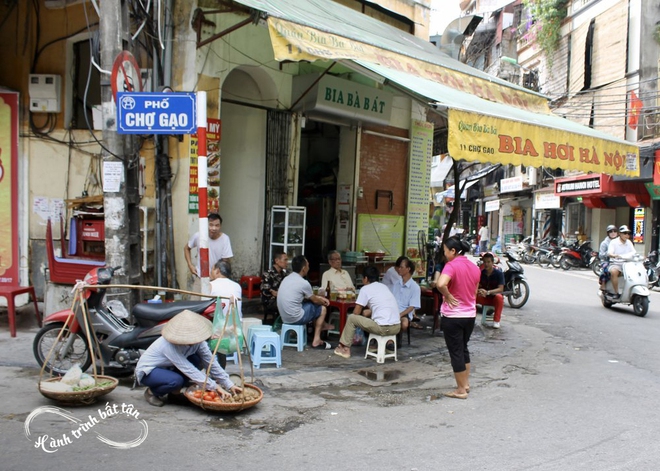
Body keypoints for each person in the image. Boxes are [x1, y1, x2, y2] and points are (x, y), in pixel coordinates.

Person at [135, 310, 242, 407]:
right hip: (149, 371)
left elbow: (210, 362)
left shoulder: (199, 342)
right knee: (176, 381)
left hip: (169, 367)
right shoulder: (168, 345)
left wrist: (228, 383)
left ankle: (174, 395)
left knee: (196, 359)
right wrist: (215, 387)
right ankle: (152, 392)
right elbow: (188, 369)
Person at [435, 236, 481, 400]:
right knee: (463, 348)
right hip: (470, 315)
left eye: (446, 251)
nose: (445, 254)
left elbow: (440, 284)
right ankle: (465, 384)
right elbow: (475, 292)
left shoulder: (451, 266)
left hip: (453, 316)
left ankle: (460, 389)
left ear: (453, 251)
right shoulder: (474, 267)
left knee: (456, 352)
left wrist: (447, 295)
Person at [333, 266, 401, 359]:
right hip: (397, 327)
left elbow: (356, 312)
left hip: (382, 328)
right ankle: (377, 345)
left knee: (352, 318)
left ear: (365, 278)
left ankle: (344, 348)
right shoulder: (384, 287)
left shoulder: (365, 289)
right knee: (369, 315)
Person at [277, 255, 334, 349]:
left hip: (284, 318)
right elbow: (315, 301)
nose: (309, 267)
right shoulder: (303, 283)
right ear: (303, 268)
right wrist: (323, 301)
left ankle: (322, 324)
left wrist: (317, 298)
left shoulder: (287, 278)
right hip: (296, 318)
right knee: (322, 309)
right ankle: (316, 339)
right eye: (308, 265)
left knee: (310, 305)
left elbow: (305, 297)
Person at [184, 213, 233, 294]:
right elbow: (186, 248)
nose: (214, 228)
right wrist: (190, 266)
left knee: (214, 305)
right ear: (206, 225)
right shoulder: (198, 235)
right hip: (200, 277)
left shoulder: (225, 239)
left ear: (220, 226)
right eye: (211, 225)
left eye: (217, 225)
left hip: (217, 280)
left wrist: (218, 276)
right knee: (194, 304)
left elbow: (226, 261)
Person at [475, 252, 505, 328]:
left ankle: (496, 321)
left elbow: (501, 289)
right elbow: (477, 286)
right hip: (483, 297)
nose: (486, 264)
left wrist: (488, 292)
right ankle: (471, 317)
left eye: (488, 262)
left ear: (492, 263)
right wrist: (480, 290)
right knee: (473, 296)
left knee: (499, 297)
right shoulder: (481, 273)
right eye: (484, 262)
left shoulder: (499, 273)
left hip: (493, 298)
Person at [391, 257, 421, 331]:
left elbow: (411, 307)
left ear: (408, 269)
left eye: (401, 267)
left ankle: (398, 338)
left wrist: (400, 314)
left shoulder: (415, 287)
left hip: (404, 313)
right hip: (393, 310)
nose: (399, 269)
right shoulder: (397, 283)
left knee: (404, 324)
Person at [607, 225, 636, 298]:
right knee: (614, 272)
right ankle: (616, 292)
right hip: (616, 263)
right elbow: (609, 253)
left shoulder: (629, 242)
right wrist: (614, 255)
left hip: (627, 264)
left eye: (628, 233)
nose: (627, 235)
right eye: (624, 233)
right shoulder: (614, 242)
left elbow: (633, 252)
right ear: (620, 234)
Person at [260, 251, 289, 325]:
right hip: (271, 301)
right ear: (277, 261)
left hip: (282, 299)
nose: (287, 262)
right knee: (287, 304)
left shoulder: (284, 275)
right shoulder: (268, 273)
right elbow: (268, 291)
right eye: (285, 260)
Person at [598, 225, 618, 290]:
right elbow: (601, 255)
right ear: (608, 233)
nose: (613, 233)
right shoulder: (604, 243)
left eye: (615, 231)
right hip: (607, 261)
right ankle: (603, 283)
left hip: (619, 261)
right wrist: (608, 254)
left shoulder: (620, 241)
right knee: (606, 268)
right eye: (611, 231)